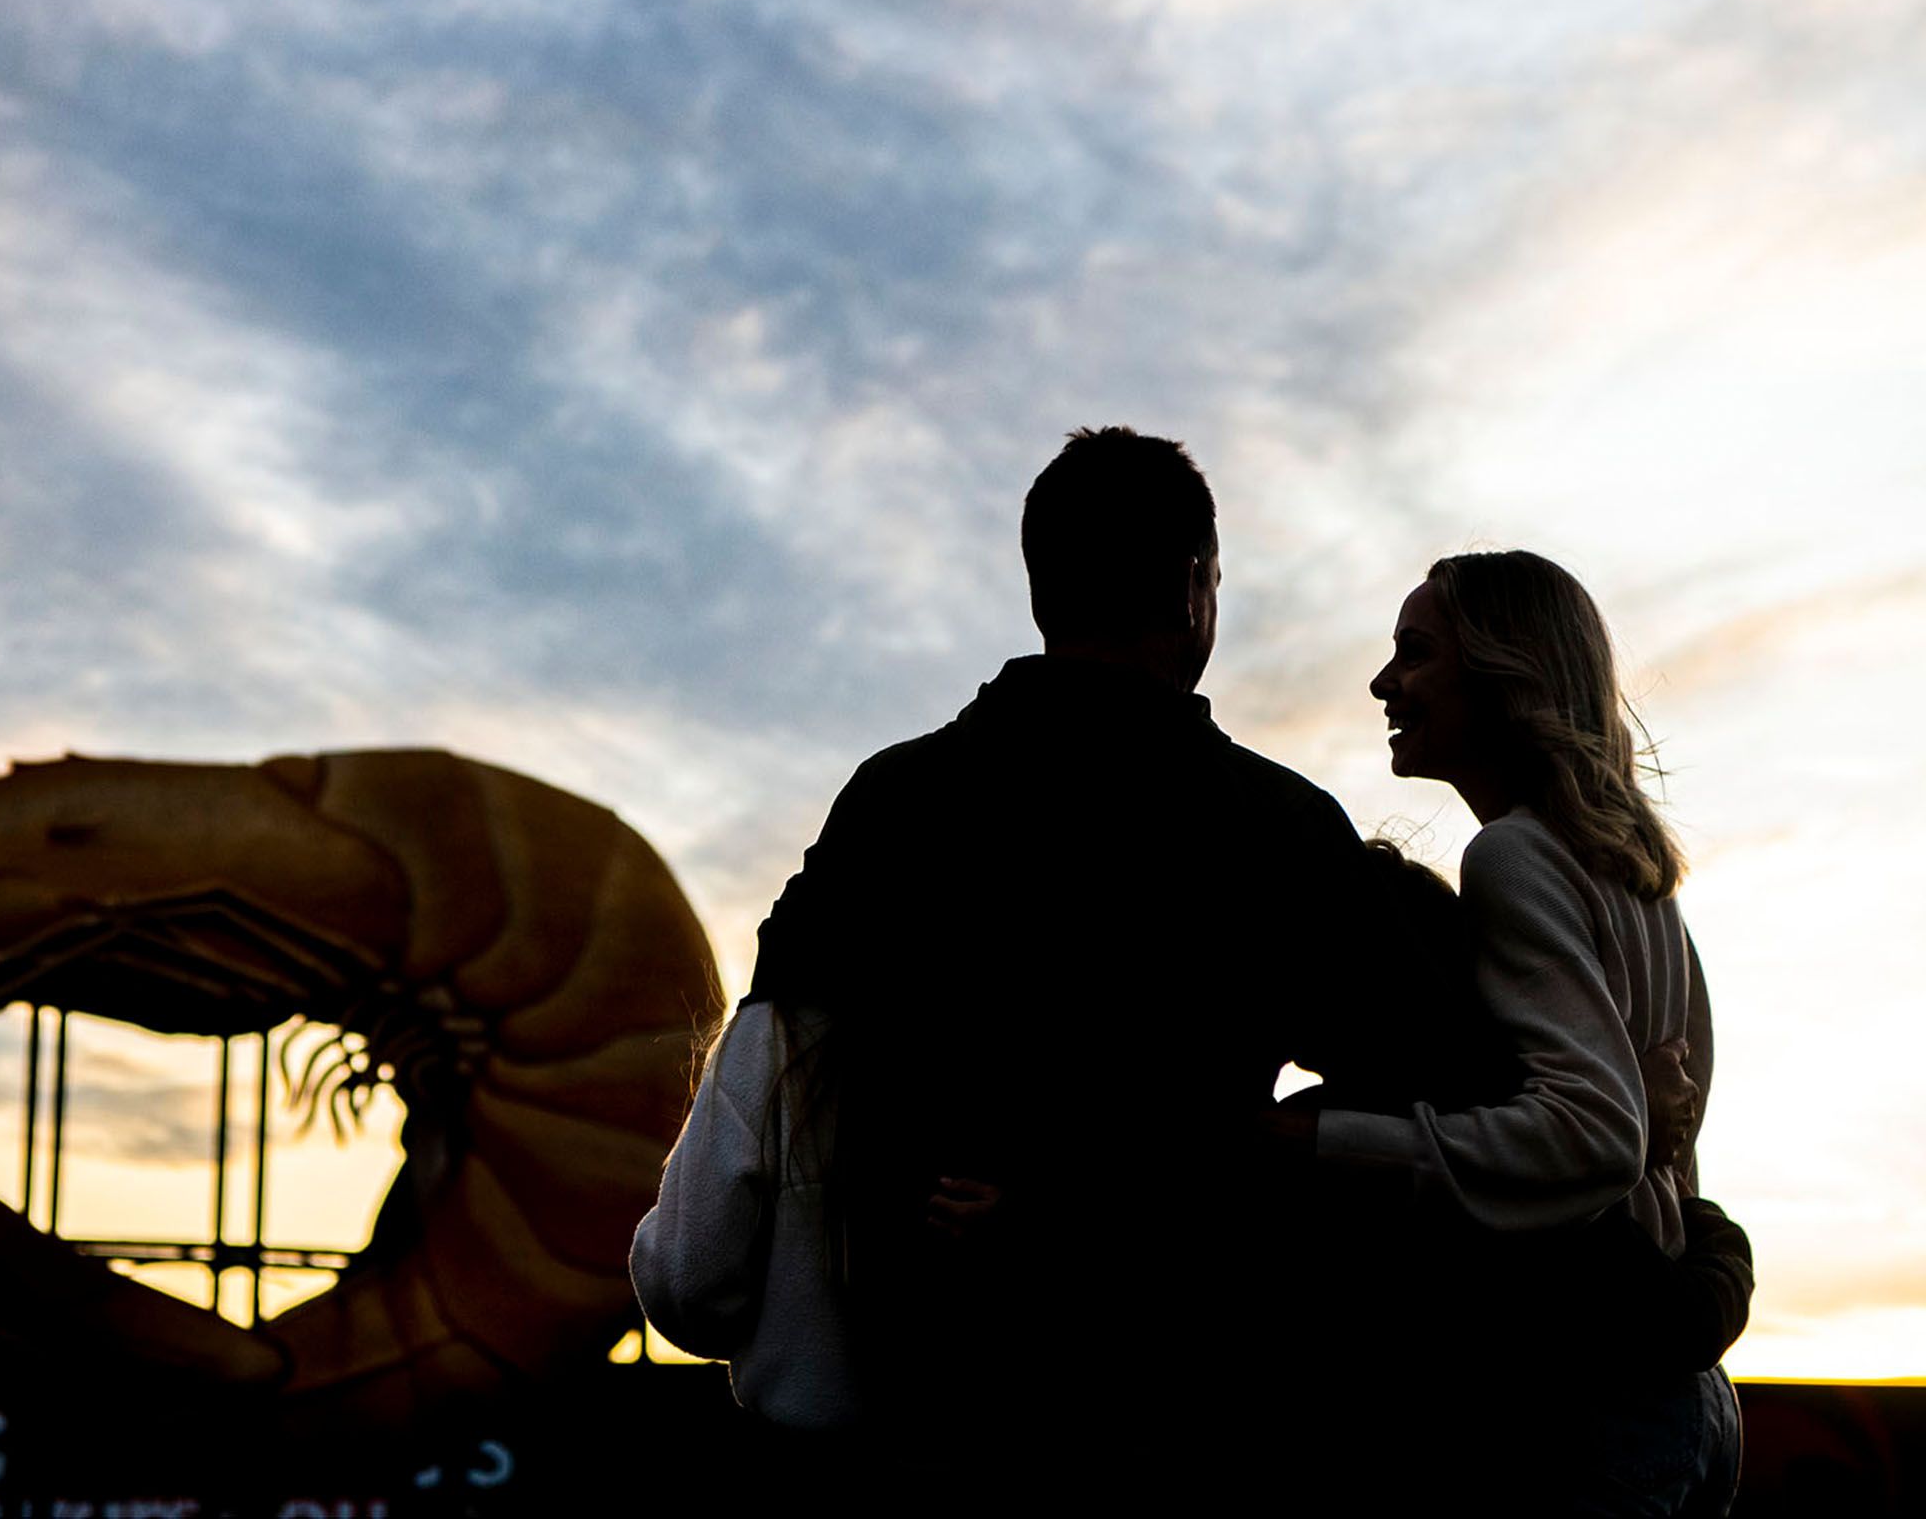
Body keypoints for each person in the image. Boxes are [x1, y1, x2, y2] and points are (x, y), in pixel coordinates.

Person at [665, 429, 1746, 1506]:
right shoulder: (1274, 830)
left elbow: (731, 1169)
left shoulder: (885, 807)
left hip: (881, 1439)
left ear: (1043, 587)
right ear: (1193, 590)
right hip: (1156, 1440)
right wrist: (1689, 1239)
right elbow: (1463, 1096)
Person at [1281, 550, 1743, 1514]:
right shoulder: (1649, 888)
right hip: (1688, 1398)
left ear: (1503, 673)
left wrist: (1321, 1141)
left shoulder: (1514, 857)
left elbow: (1596, 1135)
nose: (1382, 682)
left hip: (1597, 1404)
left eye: (1414, 654)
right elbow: (1663, 1136)